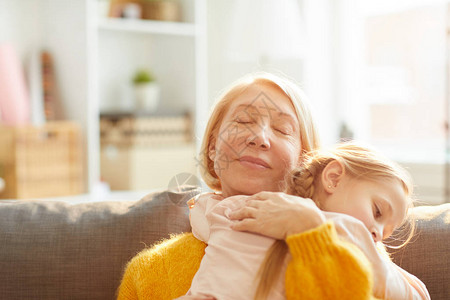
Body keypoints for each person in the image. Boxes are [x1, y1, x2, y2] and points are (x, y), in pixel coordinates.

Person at [117, 72, 429, 300]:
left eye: (282, 129)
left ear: (304, 160)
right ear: (213, 148)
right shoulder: (150, 272)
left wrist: (311, 234)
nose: (259, 138)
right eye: (242, 122)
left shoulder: (347, 243)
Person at [186, 143, 429, 300]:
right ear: (333, 178)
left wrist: (203, 203)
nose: (376, 234)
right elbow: (415, 295)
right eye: (377, 211)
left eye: (385, 233)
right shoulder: (350, 231)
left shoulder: (236, 206)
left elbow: (202, 222)